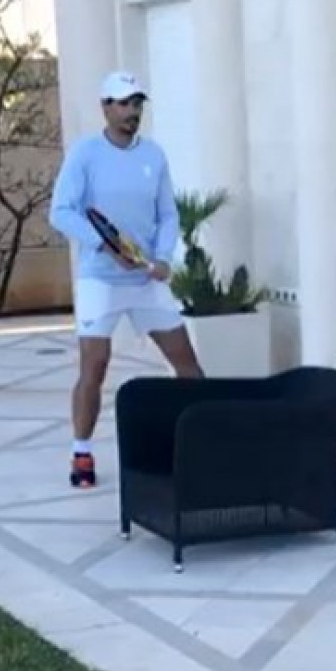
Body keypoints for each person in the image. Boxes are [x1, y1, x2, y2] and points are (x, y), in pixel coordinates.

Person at [50, 70, 203, 489]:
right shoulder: (85, 155)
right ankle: (81, 453)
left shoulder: (154, 155)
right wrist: (103, 246)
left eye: (137, 103)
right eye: (123, 103)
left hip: (147, 281)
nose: (132, 111)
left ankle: (204, 447)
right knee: (94, 366)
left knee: (187, 366)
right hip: (100, 279)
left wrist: (163, 258)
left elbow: (168, 214)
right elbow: (61, 211)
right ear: (106, 107)